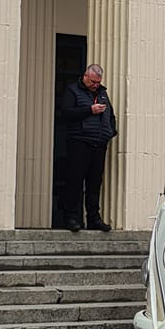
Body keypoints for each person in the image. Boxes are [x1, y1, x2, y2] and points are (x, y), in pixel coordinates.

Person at [61, 64, 117, 232]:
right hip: (79, 141)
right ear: (85, 76)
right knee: (75, 181)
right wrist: (89, 110)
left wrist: (110, 132)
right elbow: (66, 113)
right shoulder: (73, 91)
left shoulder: (102, 94)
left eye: (98, 82)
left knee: (94, 183)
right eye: (93, 81)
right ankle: (71, 217)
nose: (95, 85)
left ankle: (93, 218)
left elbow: (111, 115)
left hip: (99, 143)